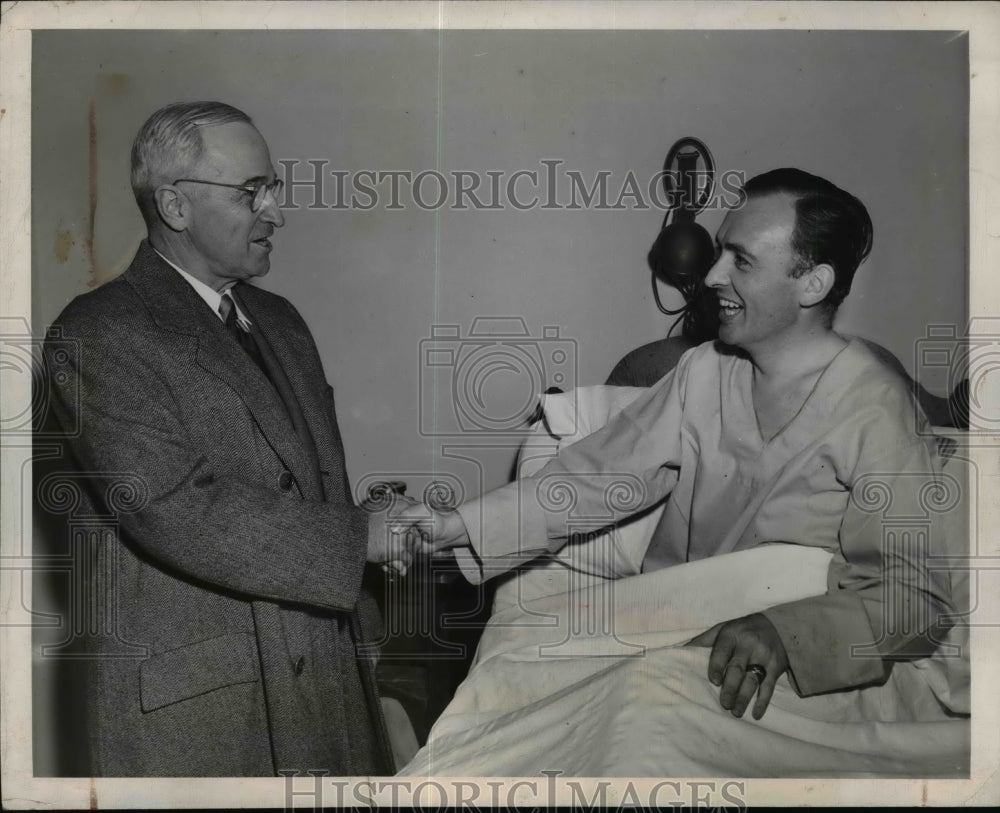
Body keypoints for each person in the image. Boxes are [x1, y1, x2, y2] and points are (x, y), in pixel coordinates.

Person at [399, 168, 956, 722]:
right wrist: (463, 525)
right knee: (528, 694)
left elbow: (914, 598)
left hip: (786, 662)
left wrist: (786, 636)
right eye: (718, 253)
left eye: (740, 260)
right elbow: (596, 477)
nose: (712, 275)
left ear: (811, 283)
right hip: (680, 626)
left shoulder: (876, 406)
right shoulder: (704, 370)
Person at [42, 101, 413, 776]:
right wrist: (363, 536)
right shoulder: (99, 332)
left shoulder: (281, 321)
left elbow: (317, 489)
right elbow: (178, 508)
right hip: (209, 716)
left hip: (327, 691)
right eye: (253, 192)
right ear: (176, 206)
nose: (276, 212)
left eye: (274, 189)